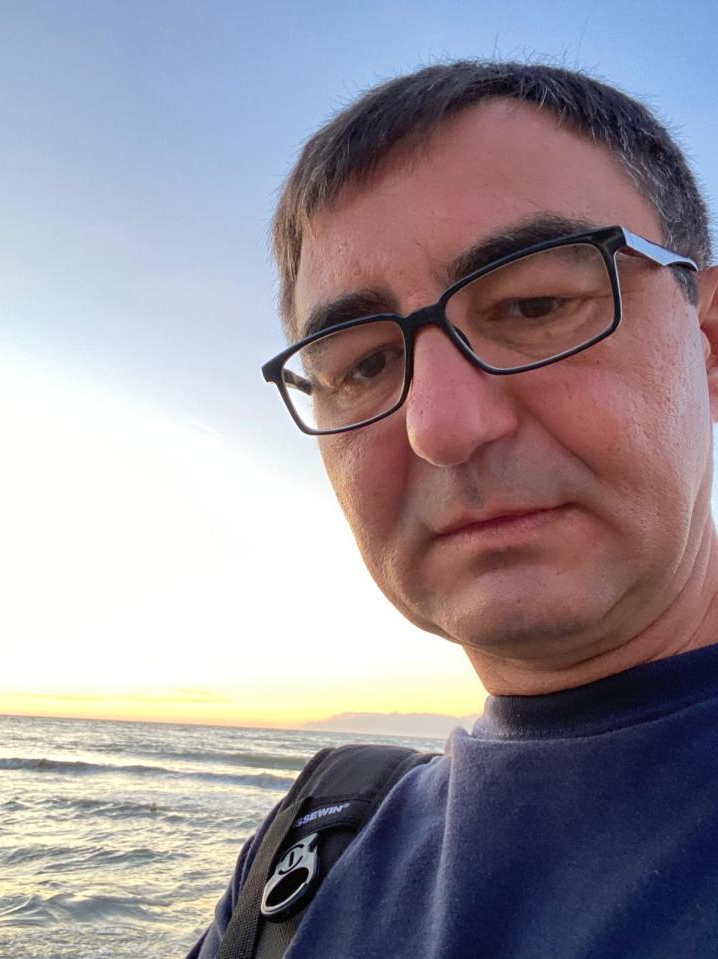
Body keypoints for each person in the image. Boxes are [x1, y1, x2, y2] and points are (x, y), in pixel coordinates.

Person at [188, 60, 718, 958]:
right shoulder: (303, 860)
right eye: (360, 365)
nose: (439, 425)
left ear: (706, 350)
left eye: (534, 303)